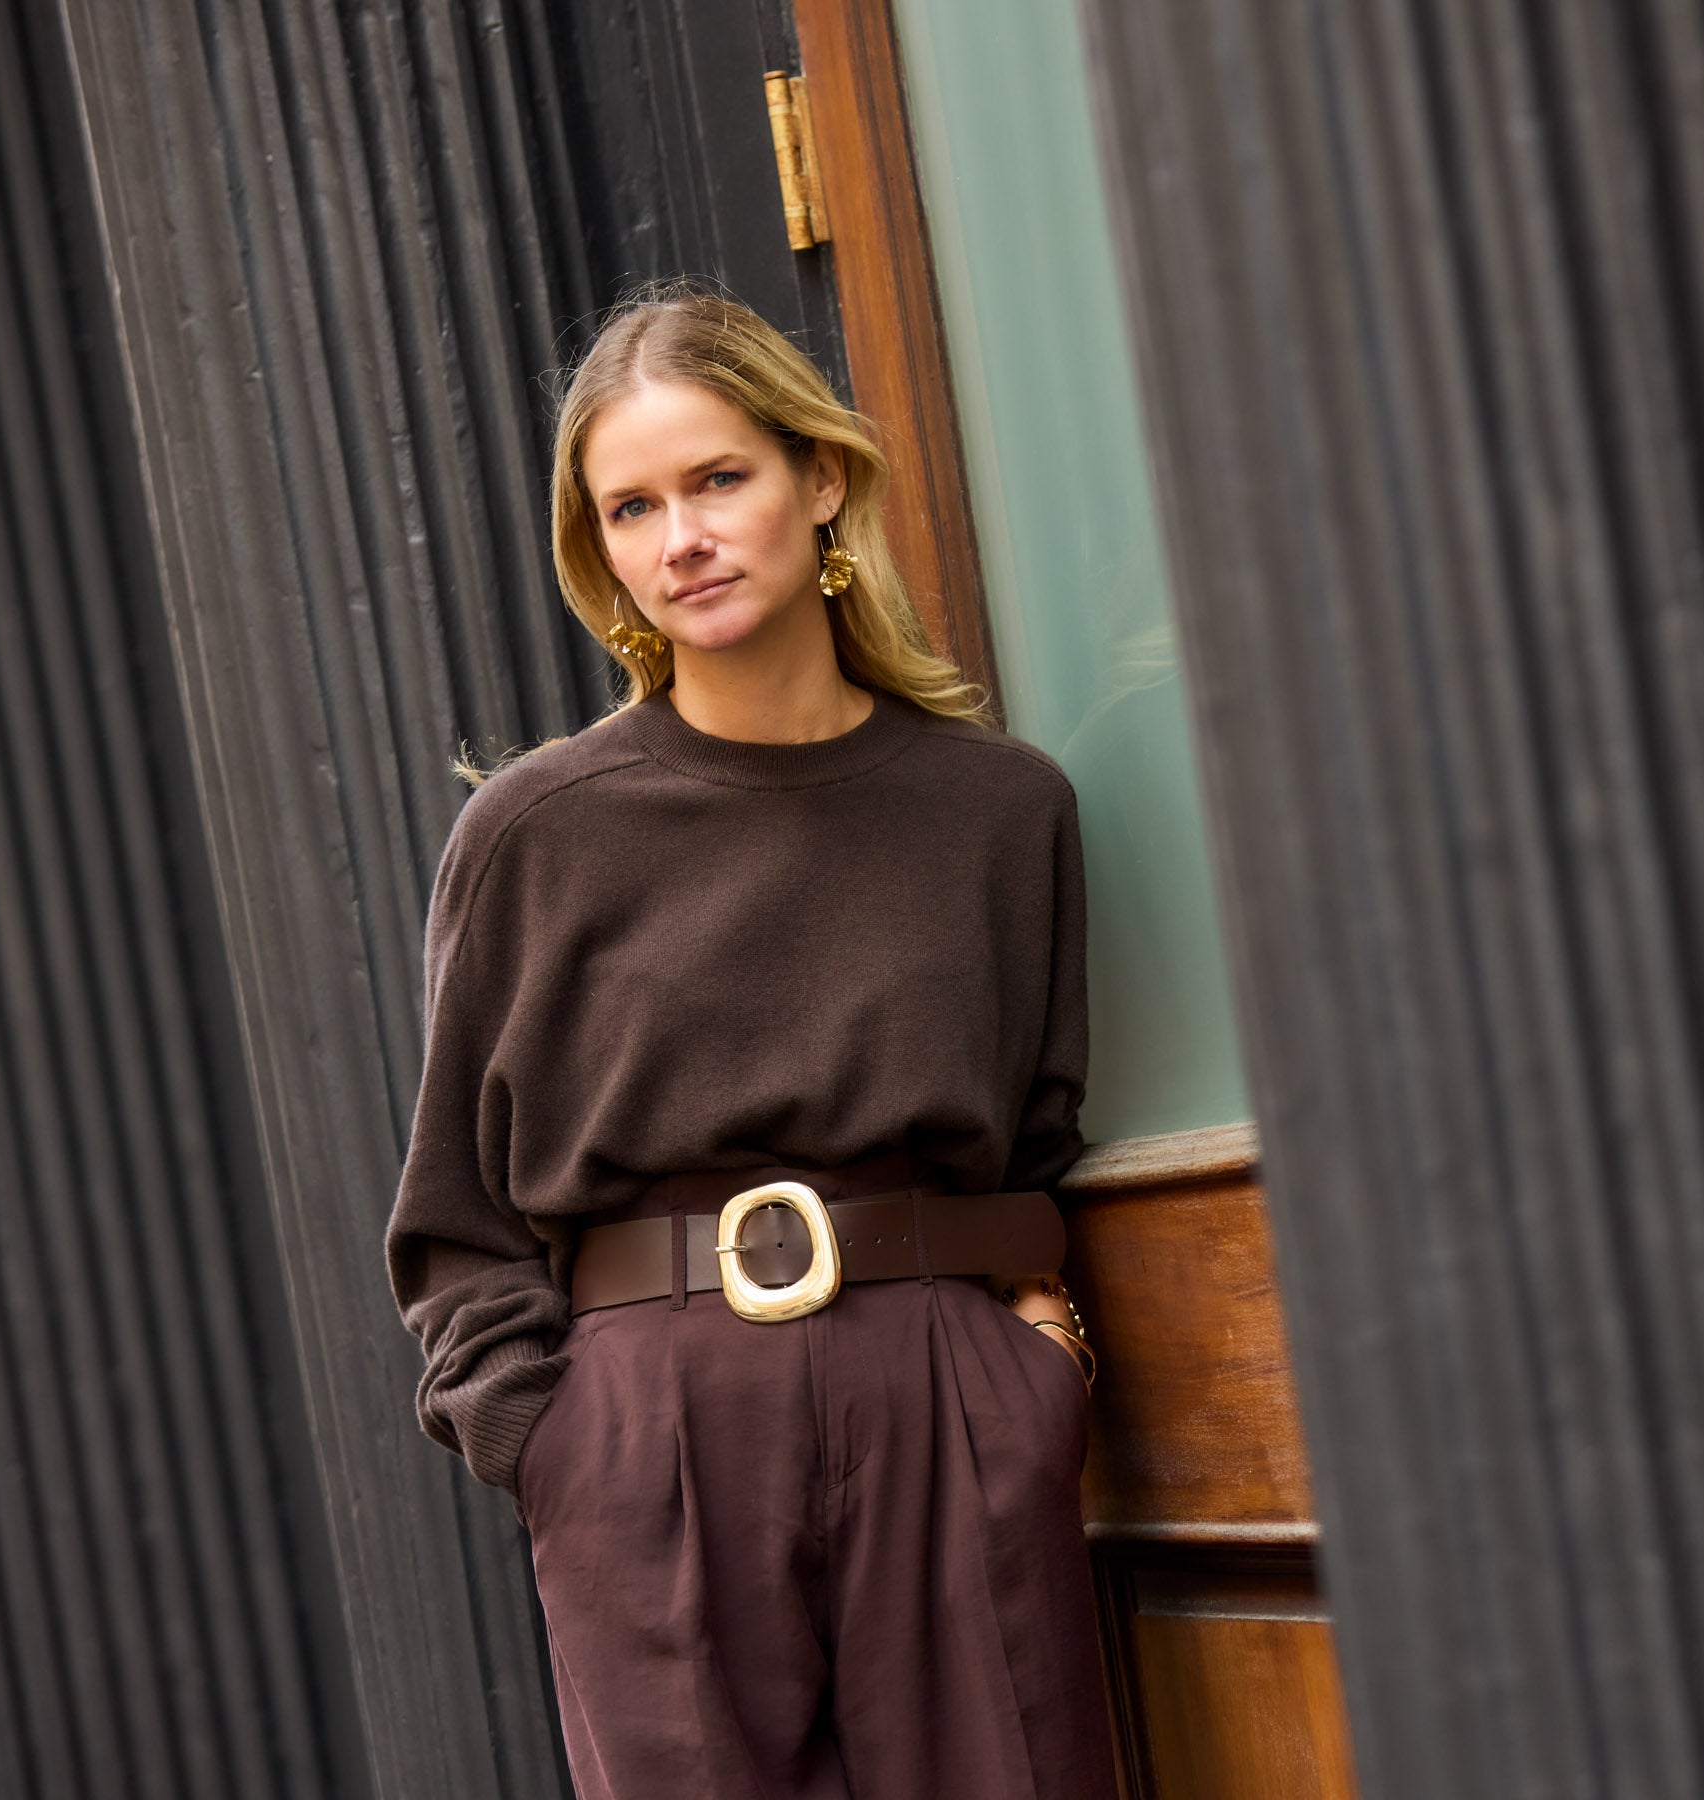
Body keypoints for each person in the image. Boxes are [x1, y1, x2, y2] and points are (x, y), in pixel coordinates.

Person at [384, 277, 1119, 1800]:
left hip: (947, 1395)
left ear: (821, 476)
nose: (684, 539)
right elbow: (456, 1216)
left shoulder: (1002, 809)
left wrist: (1032, 1375)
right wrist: (552, 1444)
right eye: (633, 508)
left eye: (719, 478)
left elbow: (1037, 1137)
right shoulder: (536, 832)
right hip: (647, 1427)